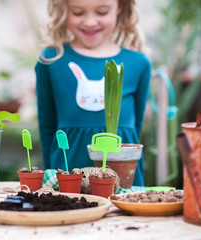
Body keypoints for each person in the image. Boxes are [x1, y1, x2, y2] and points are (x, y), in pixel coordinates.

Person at [35, 0, 151, 186]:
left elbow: (134, 129)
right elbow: (47, 127)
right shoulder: (51, 60)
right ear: (65, 9)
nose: (89, 22)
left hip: (123, 177)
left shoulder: (139, 63)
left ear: (120, 7)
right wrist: (50, 177)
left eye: (102, 12)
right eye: (78, 12)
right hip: (67, 172)